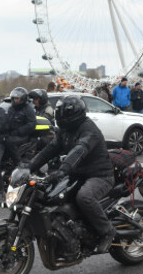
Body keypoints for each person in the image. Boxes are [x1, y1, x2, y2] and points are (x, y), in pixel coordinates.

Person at [26, 95, 116, 253]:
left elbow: (79, 150)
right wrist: (28, 166)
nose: (62, 117)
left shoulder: (89, 129)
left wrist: (63, 170)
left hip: (100, 175)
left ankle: (107, 231)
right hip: (77, 174)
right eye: (60, 114)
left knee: (84, 197)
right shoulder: (65, 131)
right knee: (52, 196)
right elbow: (50, 150)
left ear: (75, 114)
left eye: (65, 114)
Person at [3, 87, 37, 165]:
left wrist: (19, 131)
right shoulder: (12, 108)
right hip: (12, 133)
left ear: (23, 99)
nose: (16, 100)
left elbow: (31, 124)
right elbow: (8, 119)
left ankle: (17, 162)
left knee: (9, 141)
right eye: (14, 98)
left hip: (22, 135)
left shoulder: (28, 109)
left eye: (17, 99)